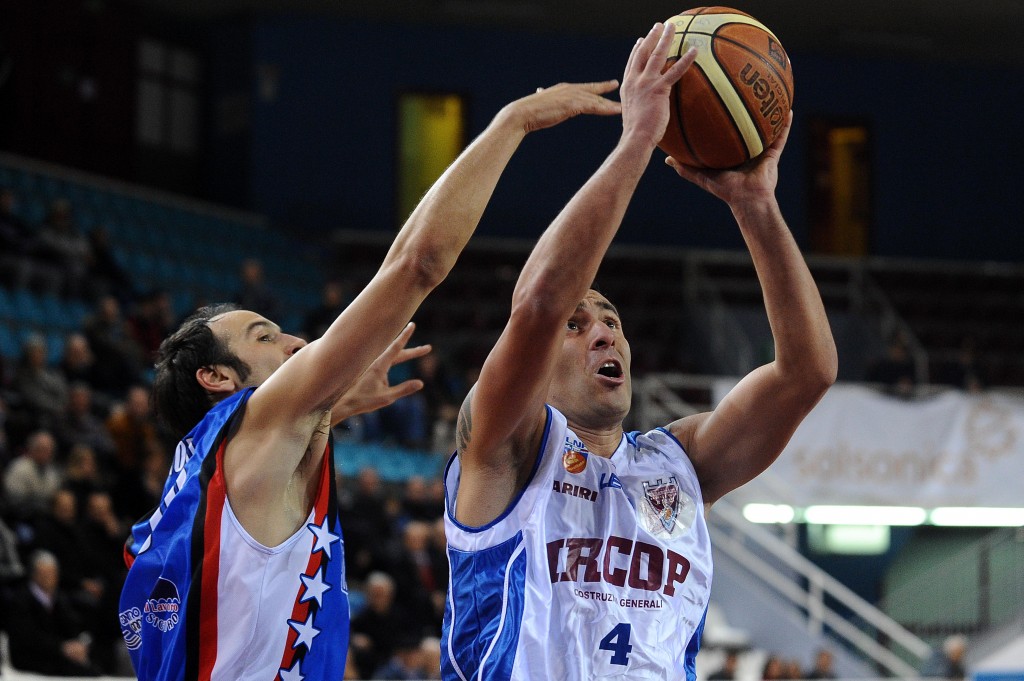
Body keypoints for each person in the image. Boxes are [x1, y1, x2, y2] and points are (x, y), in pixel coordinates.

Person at [117, 81, 621, 681]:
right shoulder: (256, 423)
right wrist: (513, 121)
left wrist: (336, 408)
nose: (295, 343)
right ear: (217, 377)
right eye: (265, 338)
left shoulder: (191, 488)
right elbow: (418, 263)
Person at [440, 22, 837, 681]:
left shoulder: (679, 463)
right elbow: (538, 302)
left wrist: (756, 205)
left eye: (612, 321)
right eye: (578, 325)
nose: (604, 333)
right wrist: (637, 141)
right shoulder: (505, 445)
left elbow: (808, 373)